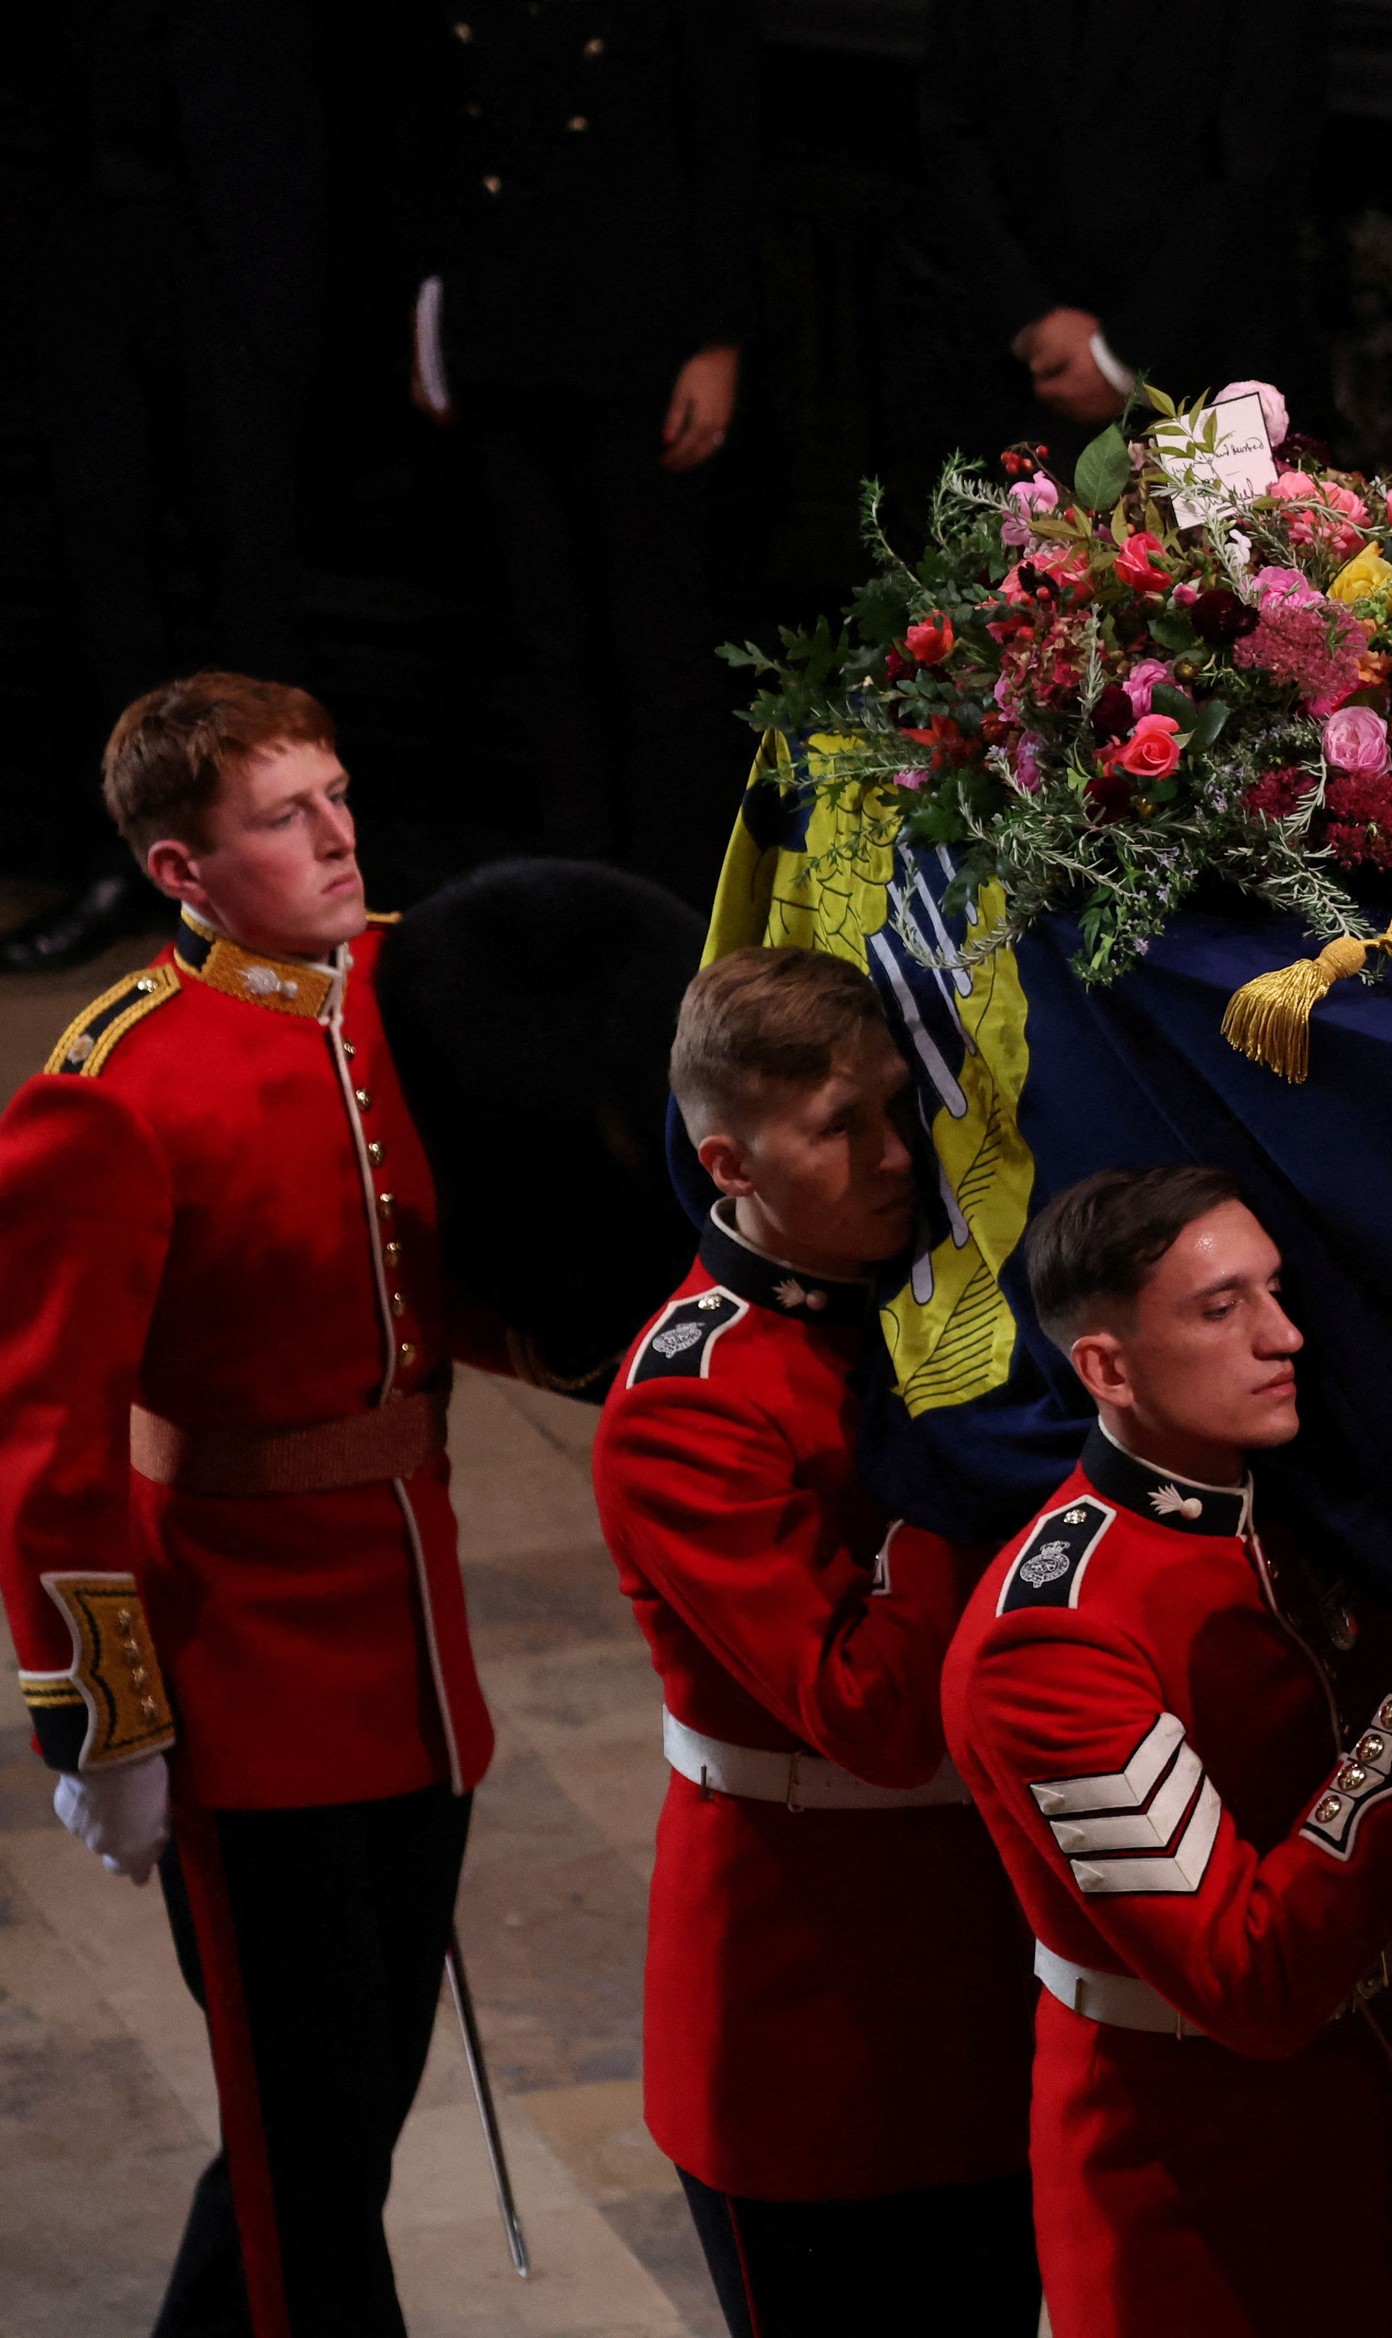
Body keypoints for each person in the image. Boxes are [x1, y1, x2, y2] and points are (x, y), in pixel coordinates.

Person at [0, 675, 498, 2335]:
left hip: (416, 1651)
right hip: (245, 1677)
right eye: (287, 817)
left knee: (343, 2119)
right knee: (303, 2145)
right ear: (179, 868)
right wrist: (104, 1718)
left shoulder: (400, 989)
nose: (341, 833)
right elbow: (47, 1436)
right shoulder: (115, 1082)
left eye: (339, 793)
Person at [942, 1164, 1392, 2338]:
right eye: (1220, 1308)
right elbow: (1250, 1975)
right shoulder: (1054, 1637)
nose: (1285, 1335)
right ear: (1107, 1369)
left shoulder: (1289, 1511)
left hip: (1371, 2106)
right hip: (1197, 2173)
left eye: (1274, 1290)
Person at [589, 947, 1038, 2336]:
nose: (898, 1157)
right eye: (839, 1129)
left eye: (898, 1110)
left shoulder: (914, 1312)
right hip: (809, 2001)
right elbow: (873, 1711)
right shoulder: (691, 1402)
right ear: (728, 1160)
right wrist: (948, 1481)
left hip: (973, 1964)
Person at [407, 0, 756, 904]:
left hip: (643, 331)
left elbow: (724, 137)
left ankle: (676, 909)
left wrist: (719, 339)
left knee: (659, 644)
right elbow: (419, 129)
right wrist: (429, 315)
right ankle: (575, 898)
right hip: (497, 322)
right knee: (541, 641)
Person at [4, 1, 322, 975]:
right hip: (77, 235)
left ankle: (279, 869)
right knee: (106, 573)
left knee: (254, 575)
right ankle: (131, 862)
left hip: (241, 239)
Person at [913, 2, 1325, 456]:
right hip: (998, 363)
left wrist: (1122, 358)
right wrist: (1026, 314)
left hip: (1208, 377)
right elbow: (948, 125)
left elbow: (1263, 165)